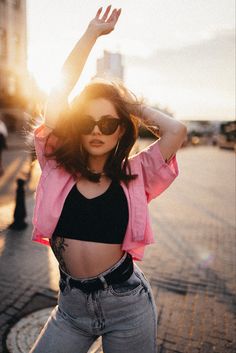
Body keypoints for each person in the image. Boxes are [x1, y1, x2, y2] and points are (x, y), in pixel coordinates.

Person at [30, 6, 187, 353]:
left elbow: (176, 130)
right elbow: (57, 96)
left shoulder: (137, 173)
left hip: (127, 304)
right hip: (70, 308)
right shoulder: (57, 166)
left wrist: (126, 104)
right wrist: (90, 35)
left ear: (121, 130)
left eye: (108, 123)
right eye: (87, 123)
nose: (98, 131)